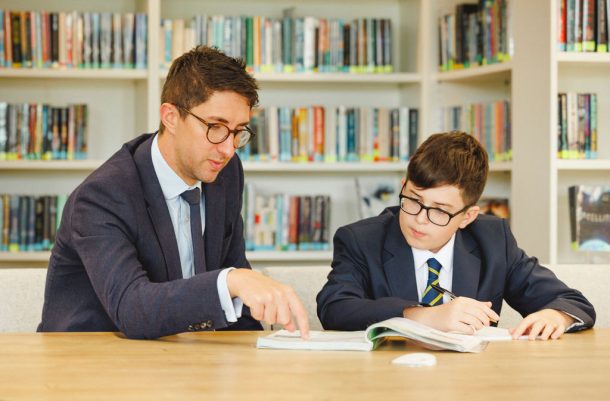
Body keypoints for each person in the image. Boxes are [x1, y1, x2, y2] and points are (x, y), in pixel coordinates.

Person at [38, 46, 309, 339]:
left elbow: (234, 276)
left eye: (238, 131)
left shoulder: (226, 173)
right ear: (170, 116)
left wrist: (266, 348)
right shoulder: (101, 196)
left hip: (179, 356)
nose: (228, 148)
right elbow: (132, 309)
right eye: (216, 127)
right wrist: (231, 281)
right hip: (89, 362)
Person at [317, 131, 595, 340]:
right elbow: (335, 308)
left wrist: (555, 314)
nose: (419, 219)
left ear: (467, 216)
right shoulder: (361, 240)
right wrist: (423, 317)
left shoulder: (493, 240)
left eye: (439, 211)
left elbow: (572, 302)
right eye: (413, 199)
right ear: (404, 186)